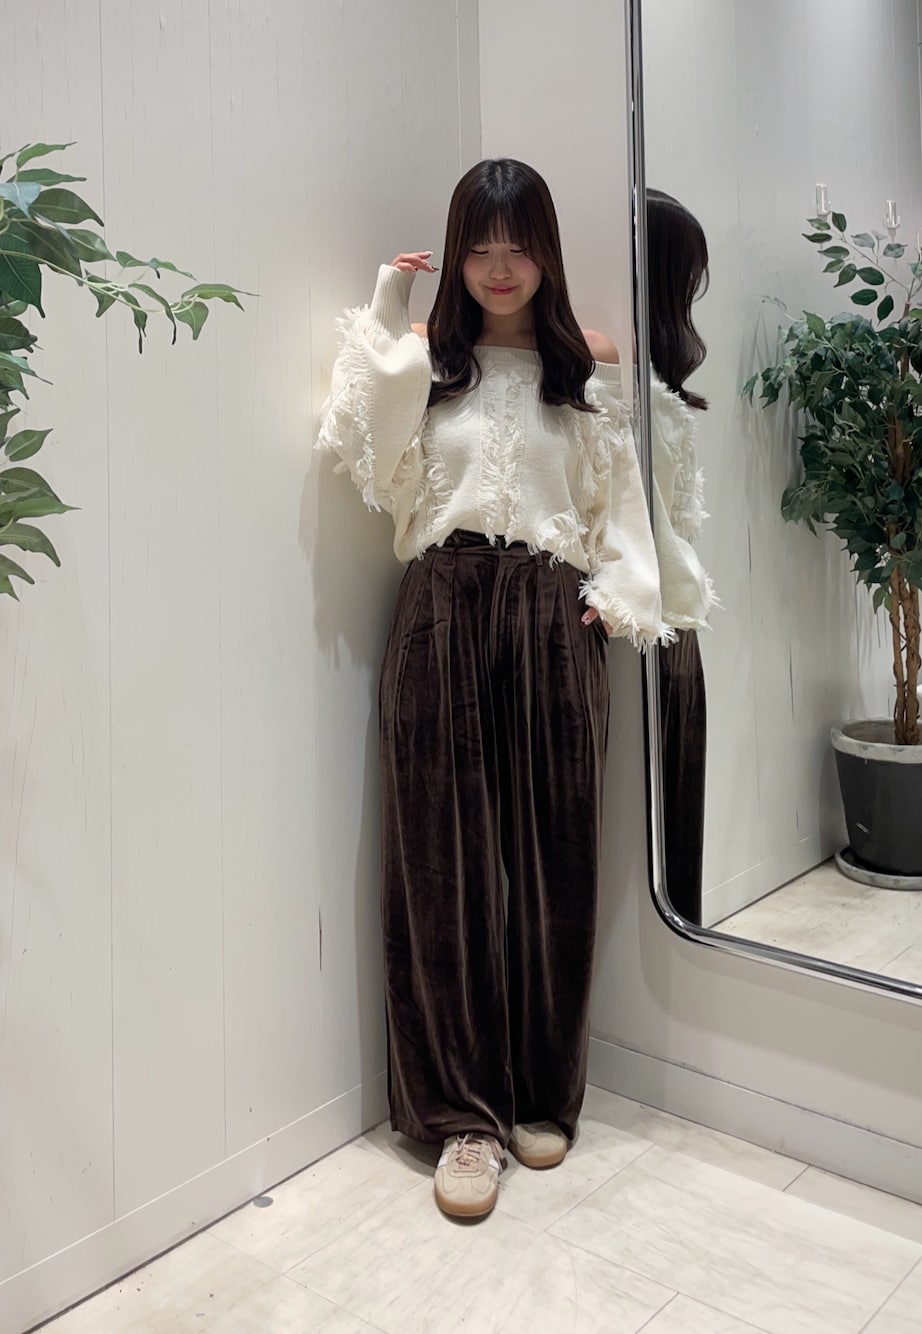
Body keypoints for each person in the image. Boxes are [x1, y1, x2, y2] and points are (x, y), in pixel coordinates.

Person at [316, 159, 668, 1220]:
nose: (499, 267)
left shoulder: (588, 360)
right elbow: (365, 442)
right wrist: (389, 304)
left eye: (518, 246)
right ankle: (462, 1119)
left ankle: (539, 1093)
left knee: (558, 859)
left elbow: (623, 496)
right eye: (478, 246)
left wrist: (618, 591)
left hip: (555, 611)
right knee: (442, 868)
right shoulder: (430, 359)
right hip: (442, 602)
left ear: (546, 251)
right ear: (457, 253)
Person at [646, 188, 718, 926]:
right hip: (655, 631)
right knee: (668, 834)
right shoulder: (635, 398)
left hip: (666, 628)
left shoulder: (650, 395)